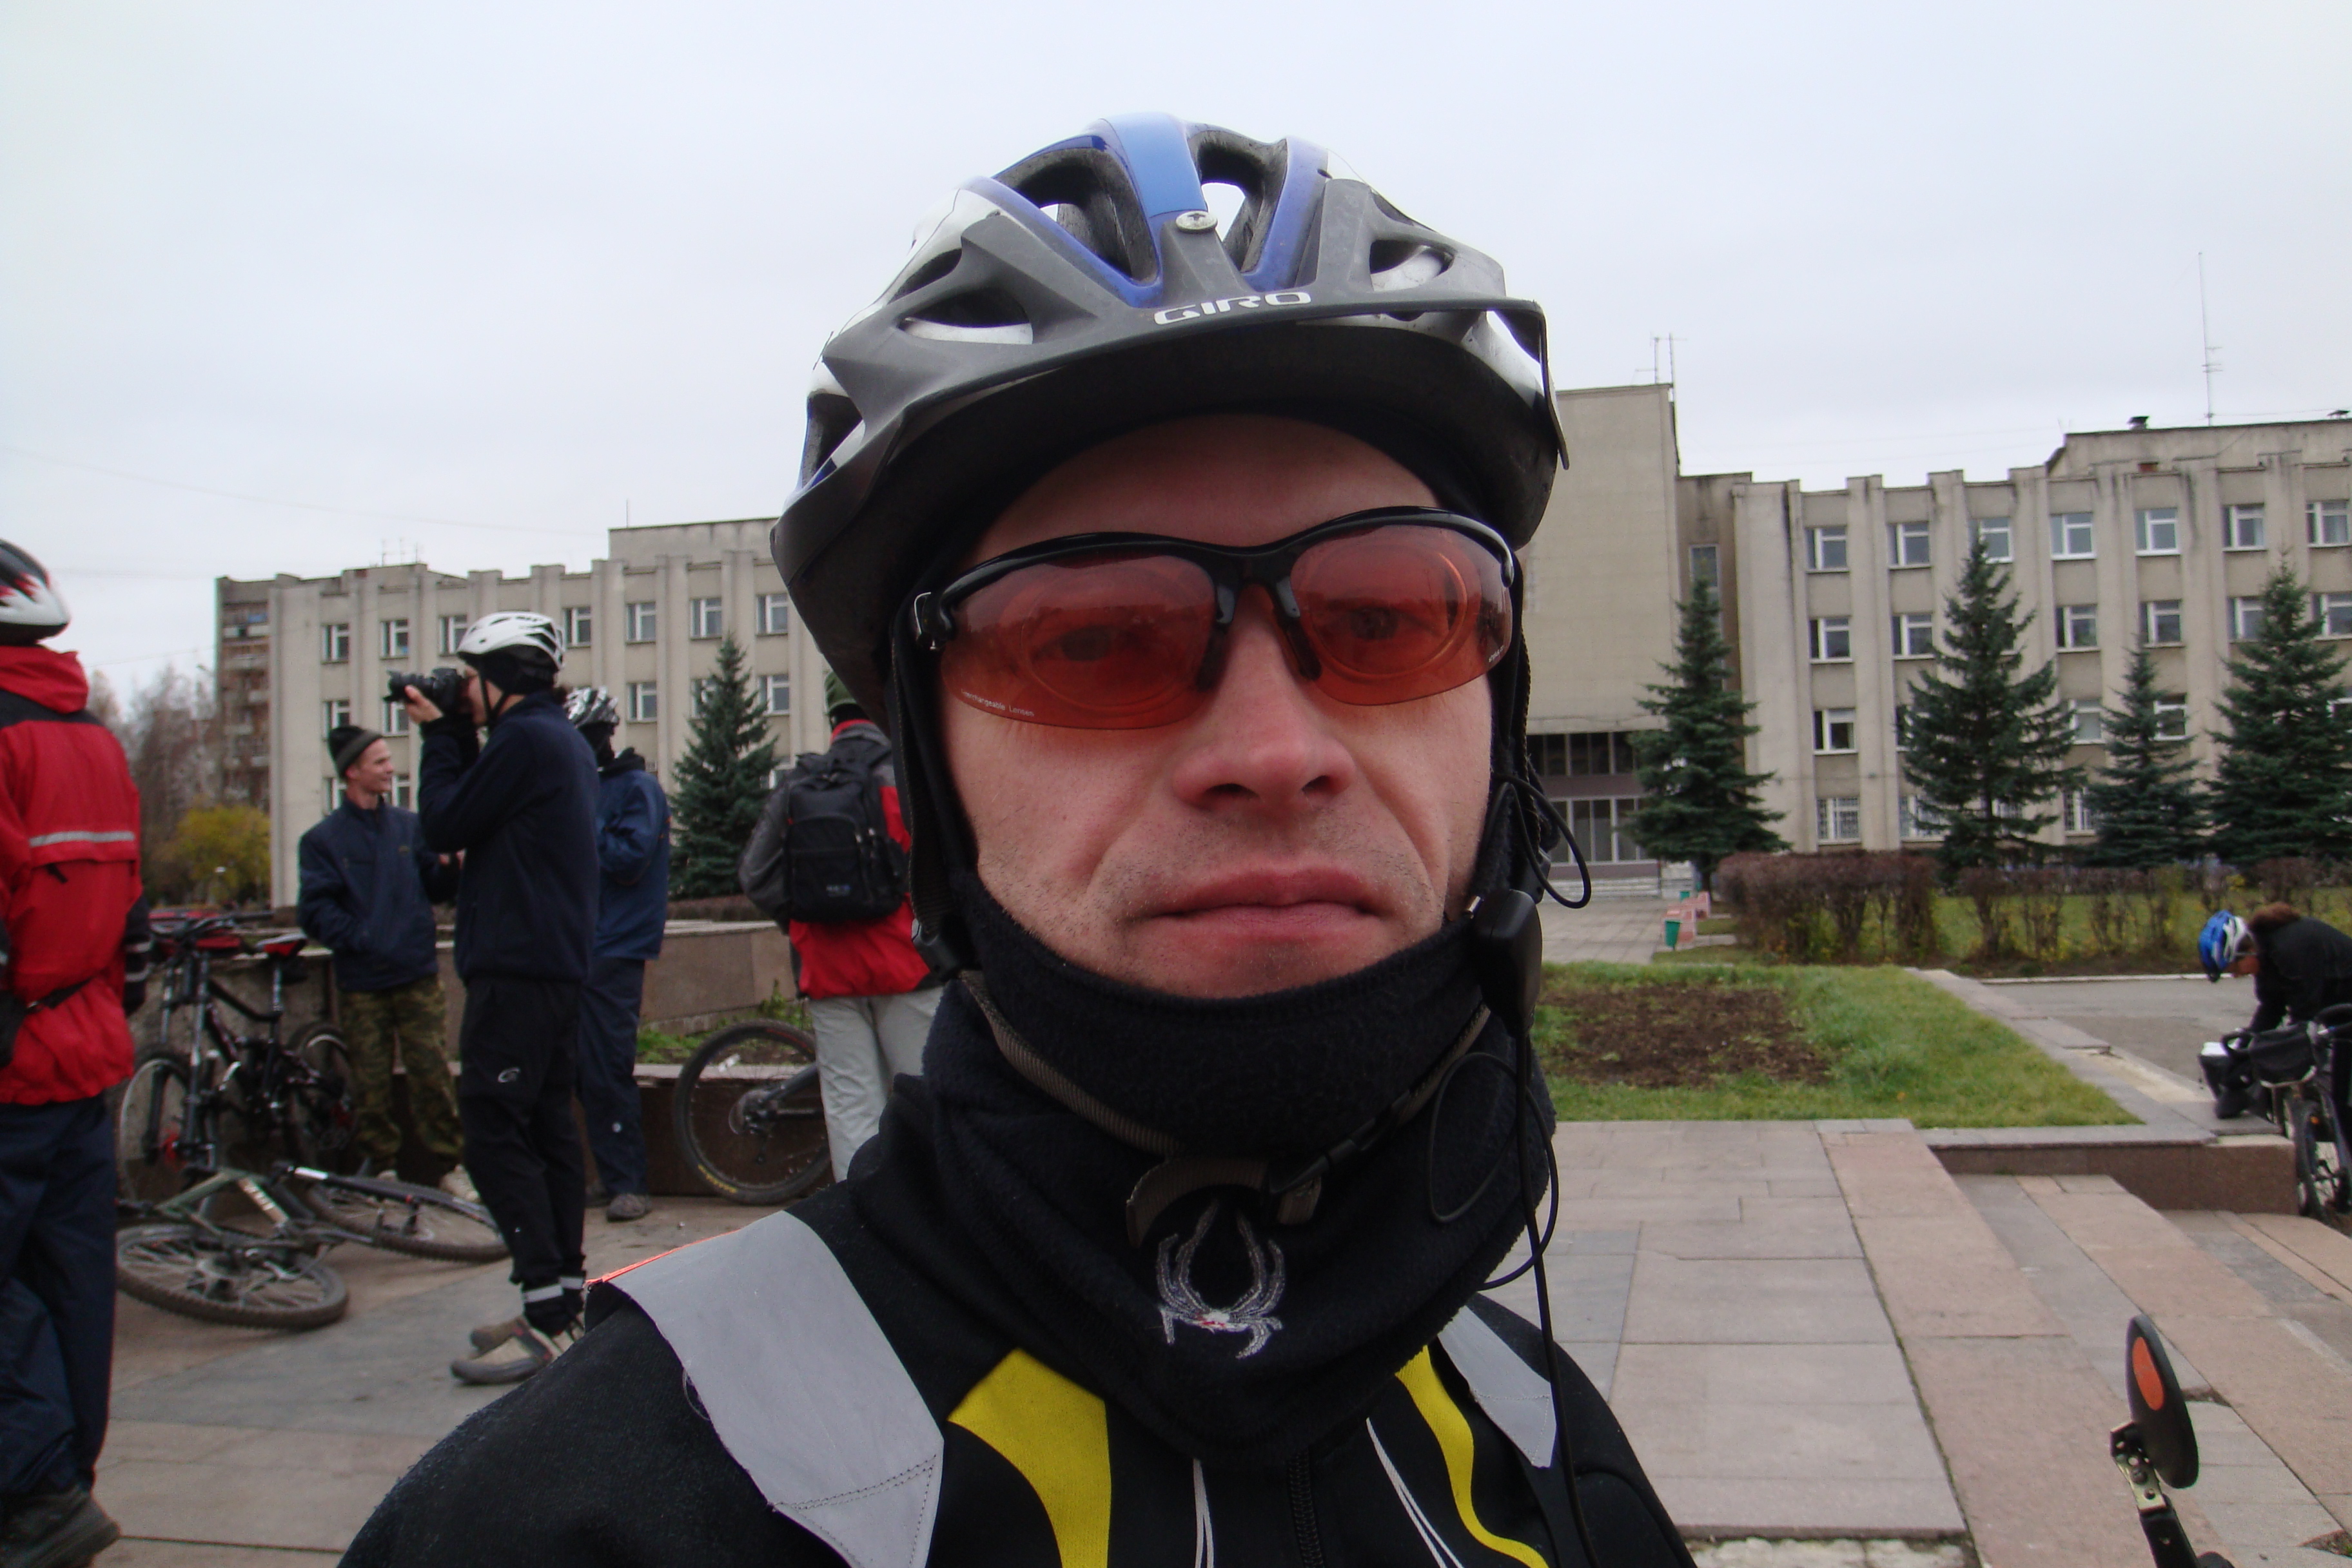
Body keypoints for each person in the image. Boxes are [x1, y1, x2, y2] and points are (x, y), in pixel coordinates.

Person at [351, 116, 1689, 1566]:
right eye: (1095, 638)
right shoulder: (577, 1518)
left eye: (1385, 616)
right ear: (934, 777)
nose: (1273, 751)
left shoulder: (1548, 1446)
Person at [401, 611, 599, 1384]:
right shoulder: (558, 739)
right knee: (546, 1125)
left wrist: (441, 733)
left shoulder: (525, 740)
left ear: (503, 676)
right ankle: (561, 1300)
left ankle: (546, 1310)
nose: (465, 690)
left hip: (517, 966)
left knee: (491, 1126)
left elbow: (443, 820)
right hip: (551, 962)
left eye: (473, 677)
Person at [0, 539, 148, 1567]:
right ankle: (65, 1481)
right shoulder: (91, 738)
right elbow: (129, 913)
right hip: (84, 1047)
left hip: (16, 1056)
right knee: (72, 1281)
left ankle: (37, 1489)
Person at [741, 667, 937, 1179]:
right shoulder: (906, 778)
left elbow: (755, 876)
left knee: (851, 1106)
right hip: (906, 966)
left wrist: (806, 922)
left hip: (827, 972)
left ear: (832, 716)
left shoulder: (797, 784)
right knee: (924, 1099)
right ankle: (930, 1214)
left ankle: (864, 1213)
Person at [297, 724, 467, 1192]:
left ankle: (452, 1166)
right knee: (370, 1084)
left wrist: (451, 869)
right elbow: (314, 911)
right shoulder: (323, 841)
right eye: (380, 762)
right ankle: (383, 1168)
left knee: (431, 1074)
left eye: (389, 760)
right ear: (352, 772)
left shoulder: (410, 827)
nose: (391, 768)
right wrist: (363, 938)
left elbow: (435, 888)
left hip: (416, 975)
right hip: (363, 982)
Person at [565, 687, 670, 1223]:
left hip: (616, 945)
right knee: (582, 1070)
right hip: (580, 943)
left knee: (608, 1065)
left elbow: (629, 859)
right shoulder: (588, 790)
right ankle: (611, 1174)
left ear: (604, 737)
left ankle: (629, 1181)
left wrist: (579, 817)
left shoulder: (636, 789)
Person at [2200, 905, 2352, 1159]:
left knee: (2344, 1093)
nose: (2236, 976)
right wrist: (2243, 1053)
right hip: (2336, 1009)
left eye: (2234, 968)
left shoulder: (2293, 947)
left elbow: (2305, 1009)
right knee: (2335, 1091)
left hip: (2343, 1004)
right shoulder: (2267, 958)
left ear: (2246, 951)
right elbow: (2271, 1009)